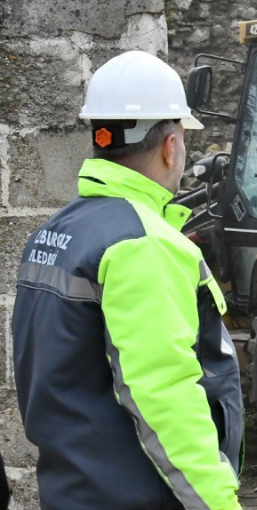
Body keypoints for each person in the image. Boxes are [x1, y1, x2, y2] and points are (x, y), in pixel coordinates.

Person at [11, 51, 243, 510]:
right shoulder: (145, 243)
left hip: (72, 491)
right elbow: (165, 396)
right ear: (170, 146)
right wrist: (218, 502)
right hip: (137, 494)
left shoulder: (55, 232)